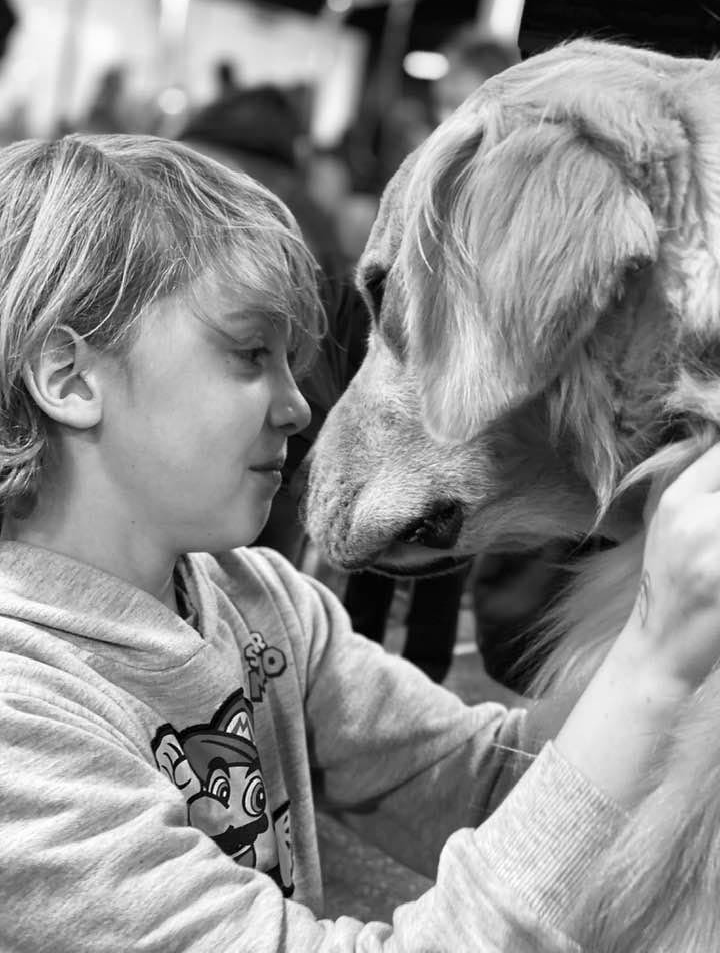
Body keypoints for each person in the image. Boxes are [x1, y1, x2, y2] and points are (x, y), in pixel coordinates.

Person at [1, 133, 720, 952]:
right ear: (68, 379)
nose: (299, 407)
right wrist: (652, 659)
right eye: (248, 356)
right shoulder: (18, 722)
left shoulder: (260, 603)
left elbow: (486, 780)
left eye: (288, 359)